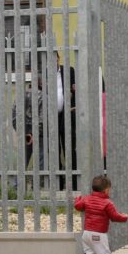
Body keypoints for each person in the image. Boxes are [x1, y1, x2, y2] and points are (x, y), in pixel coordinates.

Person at [74, 175, 128, 254]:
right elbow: (114, 217)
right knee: (104, 252)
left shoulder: (86, 199)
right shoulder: (107, 203)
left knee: (89, 250)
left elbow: (78, 206)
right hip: (98, 233)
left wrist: (77, 199)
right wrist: (124, 217)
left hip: (86, 232)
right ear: (107, 190)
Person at [56, 51, 77, 190]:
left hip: (67, 115)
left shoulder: (68, 71)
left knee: (69, 148)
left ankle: (74, 184)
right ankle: (57, 185)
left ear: (58, 58)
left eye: (54, 57)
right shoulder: (43, 73)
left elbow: (76, 89)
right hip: (50, 118)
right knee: (54, 150)